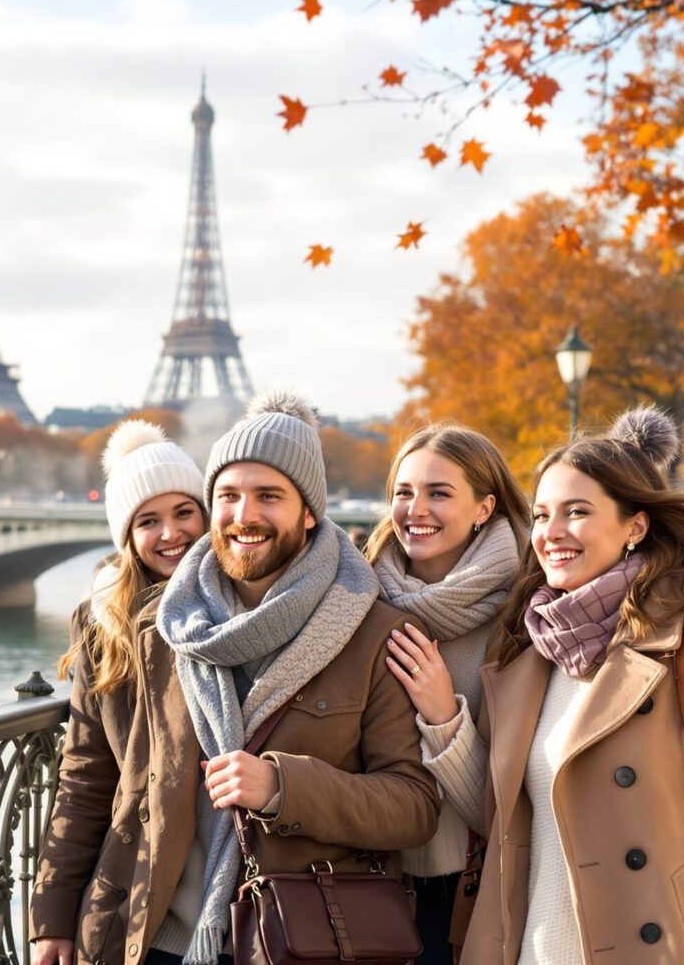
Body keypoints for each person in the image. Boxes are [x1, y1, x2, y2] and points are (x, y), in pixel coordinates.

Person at [457, 407, 684, 964]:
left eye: (577, 512)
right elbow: (503, 823)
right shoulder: (523, 653)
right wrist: (444, 728)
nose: (552, 533)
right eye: (541, 515)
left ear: (635, 525)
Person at [138, 391, 438, 965]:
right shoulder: (166, 628)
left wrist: (283, 788)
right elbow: (107, 784)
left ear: (308, 512)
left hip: (298, 935)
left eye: (268, 496)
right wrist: (57, 917)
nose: (244, 516)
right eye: (227, 496)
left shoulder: (373, 630)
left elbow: (414, 806)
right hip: (161, 937)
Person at [33, 421, 206, 965]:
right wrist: (52, 918)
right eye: (147, 521)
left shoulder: (252, 608)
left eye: (184, 512)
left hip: (246, 912)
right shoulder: (102, 625)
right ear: (128, 537)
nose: (170, 533)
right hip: (139, 910)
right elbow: (85, 775)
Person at [369, 425, 530, 964]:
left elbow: (515, 812)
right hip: (360, 882)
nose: (416, 509)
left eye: (439, 493)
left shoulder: (527, 616)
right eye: (404, 492)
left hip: (470, 893)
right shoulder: (354, 597)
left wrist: (443, 719)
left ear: (485, 507)